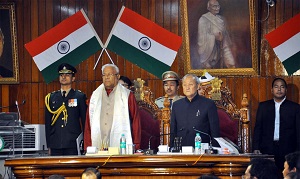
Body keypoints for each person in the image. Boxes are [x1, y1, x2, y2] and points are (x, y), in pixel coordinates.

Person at [84, 64, 141, 151]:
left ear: (117, 76)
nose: (106, 77)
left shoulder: (127, 95)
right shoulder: (95, 96)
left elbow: (135, 122)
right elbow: (88, 123)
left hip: (121, 144)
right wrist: (87, 147)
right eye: (104, 74)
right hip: (99, 145)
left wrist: (136, 146)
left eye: (110, 74)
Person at [253, 78, 300, 171]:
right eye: (276, 87)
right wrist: (256, 147)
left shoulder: (294, 107)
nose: (279, 89)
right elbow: (258, 128)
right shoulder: (263, 106)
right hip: (267, 148)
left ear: (286, 90)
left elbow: (298, 131)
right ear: (272, 90)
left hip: (288, 149)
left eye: (282, 87)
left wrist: (298, 151)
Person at [45, 63, 87, 156]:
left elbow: (84, 121)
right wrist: (49, 145)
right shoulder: (51, 97)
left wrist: (85, 144)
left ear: (73, 78)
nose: (64, 77)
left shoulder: (79, 96)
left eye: (67, 75)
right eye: (61, 75)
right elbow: (48, 124)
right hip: (55, 143)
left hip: (73, 143)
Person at [170, 73, 220, 148]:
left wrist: (215, 150)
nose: (187, 88)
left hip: (202, 150)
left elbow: (215, 131)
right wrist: (171, 148)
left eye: (190, 84)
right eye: (184, 85)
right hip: (181, 150)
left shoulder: (209, 104)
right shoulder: (176, 105)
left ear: (198, 86)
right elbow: (173, 130)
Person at [197, 0, 235, 69]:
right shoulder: (203, 19)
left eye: (218, 6)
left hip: (222, 45)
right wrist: (214, 37)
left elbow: (225, 39)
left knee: (231, 63)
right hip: (210, 50)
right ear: (209, 8)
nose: (217, 8)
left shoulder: (221, 19)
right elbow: (202, 38)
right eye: (214, 6)